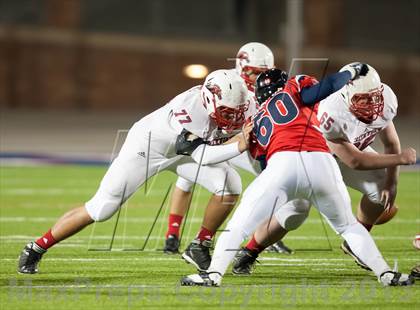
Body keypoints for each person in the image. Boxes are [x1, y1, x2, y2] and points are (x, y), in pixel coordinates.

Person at [180, 65, 415, 287]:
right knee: (349, 227)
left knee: (239, 226)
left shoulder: (257, 119)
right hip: (322, 162)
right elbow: (325, 88)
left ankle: (213, 275)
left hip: (283, 164)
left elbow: (260, 157)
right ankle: (386, 274)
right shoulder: (297, 86)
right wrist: (350, 72)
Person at [17, 69, 253, 274]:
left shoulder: (243, 102)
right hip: (148, 149)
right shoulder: (188, 110)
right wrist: (241, 143)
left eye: (238, 111)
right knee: (101, 209)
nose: (235, 118)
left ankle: (199, 245)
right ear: (209, 99)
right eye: (228, 111)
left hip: (183, 153)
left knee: (230, 187)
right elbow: (202, 155)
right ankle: (37, 247)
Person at [163, 43, 289, 265]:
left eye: (263, 72)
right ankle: (173, 232)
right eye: (255, 71)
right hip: (218, 137)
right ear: (242, 65)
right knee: (187, 176)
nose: (259, 77)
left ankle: (265, 232)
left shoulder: (269, 86)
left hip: (244, 140)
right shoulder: (226, 82)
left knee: (273, 176)